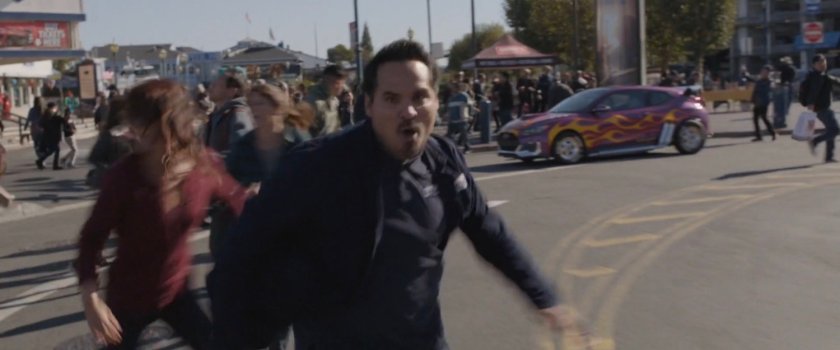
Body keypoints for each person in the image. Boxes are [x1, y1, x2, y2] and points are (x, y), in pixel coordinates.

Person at [209, 39, 584, 349]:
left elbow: (490, 232)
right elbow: (238, 261)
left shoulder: (444, 163)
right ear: (368, 104)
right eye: (391, 98)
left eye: (420, 97)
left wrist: (544, 297)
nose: (408, 111)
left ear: (436, 101)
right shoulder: (315, 167)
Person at [74, 79, 251, 349]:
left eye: (137, 119)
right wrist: (91, 297)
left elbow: (239, 201)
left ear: (165, 122)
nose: (130, 127)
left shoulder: (203, 165)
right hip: (128, 298)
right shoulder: (124, 177)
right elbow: (92, 236)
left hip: (177, 290)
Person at [205, 74, 254, 157]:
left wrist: (215, 160)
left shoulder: (239, 114)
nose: (210, 88)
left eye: (215, 85)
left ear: (231, 91)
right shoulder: (216, 115)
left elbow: (240, 150)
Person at [804, 54, 840, 163]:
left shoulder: (820, 76)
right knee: (835, 130)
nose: (823, 64)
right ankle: (815, 141)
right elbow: (813, 92)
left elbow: (836, 81)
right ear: (814, 65)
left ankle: (829, 156)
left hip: (823, 108)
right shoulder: (818, 77)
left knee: (831, 129)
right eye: (820, 63)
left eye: (824, 62)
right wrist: (810, 104)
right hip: (822, 108)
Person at [306, 65, 347, 136]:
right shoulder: (313, 102)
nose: (341, 87)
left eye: (343, 83)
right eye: (338, 83)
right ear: (327, 81)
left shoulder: (333, 98)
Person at [750, 65, 776, 142]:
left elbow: (769, 93)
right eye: (762, 72)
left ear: (768, 73)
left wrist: (766, 101)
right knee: (755, 119)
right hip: (757, 102)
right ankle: (758, 136)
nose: (763, 73)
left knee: (764, 118)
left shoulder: (769, 82)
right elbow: (755, 91)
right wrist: (753, 99)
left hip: (764, 103)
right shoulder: (759, 81)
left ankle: (773, 133)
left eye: (765, 72)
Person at [446, 82, 474, 153]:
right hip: (452, 119)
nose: (452, 89)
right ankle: (451, 149)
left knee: (464, 134)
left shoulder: (464, 95)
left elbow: (470, 105)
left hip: (462, 118)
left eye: (453, 88)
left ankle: (467, 148)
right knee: (449, 135)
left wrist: (470, 115)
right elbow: (449, 108)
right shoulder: (451, 97)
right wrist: (447, 115)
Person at [36, 103, 64, 170]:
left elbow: (40, 124)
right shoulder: (51, 115)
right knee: (55, 149)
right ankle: (54, 165)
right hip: (52, 135)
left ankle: (41, 160)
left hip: (48, 135)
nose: (56, 109)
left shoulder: (46, 115)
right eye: (55, 107)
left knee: (53, 150)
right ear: (52, 108)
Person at [777, 56, 796, 128]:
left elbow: (788, 79)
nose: (783, 63)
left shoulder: (788, 69)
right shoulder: (790, 68)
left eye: (784, 62)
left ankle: (783, 120)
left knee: (784, 105)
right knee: (785, 105)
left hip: (786, 87)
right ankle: (783, 120)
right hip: (787, 87)